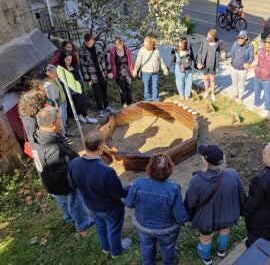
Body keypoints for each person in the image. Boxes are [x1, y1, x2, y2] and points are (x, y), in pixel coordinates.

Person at [68, 130, 132, 258]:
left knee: (100, 225)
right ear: (100, 148)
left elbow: (73, 185)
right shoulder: (106, 172)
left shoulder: (73, 163)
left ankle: (105, 247)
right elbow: (118, 193)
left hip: (91, 205)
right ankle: (116, 251)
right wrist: (130, 187)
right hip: (110, 208)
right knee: (113, 228)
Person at [32, 107, 93, 236]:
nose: (62, 120)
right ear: (52, 124)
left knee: (63, 203)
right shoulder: (53, 149)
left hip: (50, 184)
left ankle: (68, 218)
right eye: (60, 119)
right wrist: (77, 178)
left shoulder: (38, 136)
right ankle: (83, 225)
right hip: (64, 186)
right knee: (75, 204)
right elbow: (61, 174)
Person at [184, 145, 246, 265]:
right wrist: (241, 211)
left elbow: (191, 202)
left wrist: (189, 216)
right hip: (228, 215)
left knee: (206, 238)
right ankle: (222, 250)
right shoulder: (233, 174)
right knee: (224, 230)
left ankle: (206, 258)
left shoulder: (197, 180)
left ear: (205, 161)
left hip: (207, 219)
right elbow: (241, 195)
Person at [125, 154, 188, 265]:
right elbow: (180, 217)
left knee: (146, 246)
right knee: (168, 247)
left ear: (150, 167)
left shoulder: (139, 183)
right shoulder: (173, 188)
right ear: (170, 169)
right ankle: (170, 262)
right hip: (167, 229)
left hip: (143, 226)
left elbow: (129, 203)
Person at [79, 33, 114, 117]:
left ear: (93, 40)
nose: (89, 44)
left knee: (104, 91)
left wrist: (109, 71)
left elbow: (107, 58)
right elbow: (83, 66)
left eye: (90, 42)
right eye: (87, 43)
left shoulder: (100, 46)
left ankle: (106, 106)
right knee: (97, 93)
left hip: (103, 73)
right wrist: (88, 79)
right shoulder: (82, 51)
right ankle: (100, 109)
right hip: (92, 76)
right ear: (85, 42)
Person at [58, 52, 98, 124]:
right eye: (67, 59)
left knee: (81, 102)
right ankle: (86, 117)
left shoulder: (74, 66)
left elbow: (79, 77)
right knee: (78, 103)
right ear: (63, 60)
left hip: (78, 87)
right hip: (71, 90)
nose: (69, 61)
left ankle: (81, 116)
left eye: (70, 59)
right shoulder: (61, 69)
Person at [132, 36, 169, 102]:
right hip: (145, 73)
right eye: (144, 44)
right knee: (147, 88)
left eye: (146, 44)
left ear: (151, 44)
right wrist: (135, 70)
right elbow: (138, 61)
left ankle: (156, 100)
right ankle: (147, 101)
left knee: (155, 87)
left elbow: (161, 61)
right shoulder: (142, 50)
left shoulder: (156, 51)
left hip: (155, 73)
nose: (145, 45)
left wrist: (165, 69)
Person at [252, 37, 270, 116]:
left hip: (267, 79)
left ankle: (267, 108)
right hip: (258, 76)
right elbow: (257, 61)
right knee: (256, 91)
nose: (266, 47)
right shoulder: (262, 50)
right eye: (265, 45)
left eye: (268, 46)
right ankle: (256, 104)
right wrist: (250, 66)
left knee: (267, 95)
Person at [197, 29, 224, 102]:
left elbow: (221, 50)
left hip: (213, 65)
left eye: (209, 38)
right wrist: (199, 62)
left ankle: (212, 93)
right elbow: (200, 52)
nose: (207, 38)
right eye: (207, 36)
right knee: (205, 78)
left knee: (212, 80)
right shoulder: (204, 40)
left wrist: (223, 53)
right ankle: (206, 91)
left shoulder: (218, 42)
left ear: (214, 38)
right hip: (204, 64)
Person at [43, 64, 70, 137]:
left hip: (62, 99)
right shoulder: (47, 84)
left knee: (64, 118)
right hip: (57, 104)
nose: (56, 74)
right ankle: (63, 135)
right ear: (49, 74)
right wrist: (56, 108)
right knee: (60, 120)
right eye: (54, 72)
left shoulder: (55, 78)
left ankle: (65, 132)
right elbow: (51, 98)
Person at [228, 30, 254, 104]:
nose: (240, 39)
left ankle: (240, 97)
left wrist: (248, 63)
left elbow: (251, 58)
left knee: (241, 85)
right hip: (233, 68)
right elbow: (231, 53)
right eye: (239, 38)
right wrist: (225, 55)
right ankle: (235, 95)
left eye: (242, 38)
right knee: (234, 83)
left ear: (246, 38)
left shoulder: (250, 46)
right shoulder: (235, 43)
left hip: (242, 70)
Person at [109, 36, 134, 108]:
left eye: (117, 44)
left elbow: (130, 62)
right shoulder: (112, 51)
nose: (116, 46)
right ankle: (124, 103)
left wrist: (132, 70)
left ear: (122, 44)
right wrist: (111, 72)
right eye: (115, 44)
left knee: (129, 87)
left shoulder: (127, 50)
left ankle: (130, 102)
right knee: (122, 88)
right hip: (118, 72)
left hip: (127, 71)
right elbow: (111, 62)